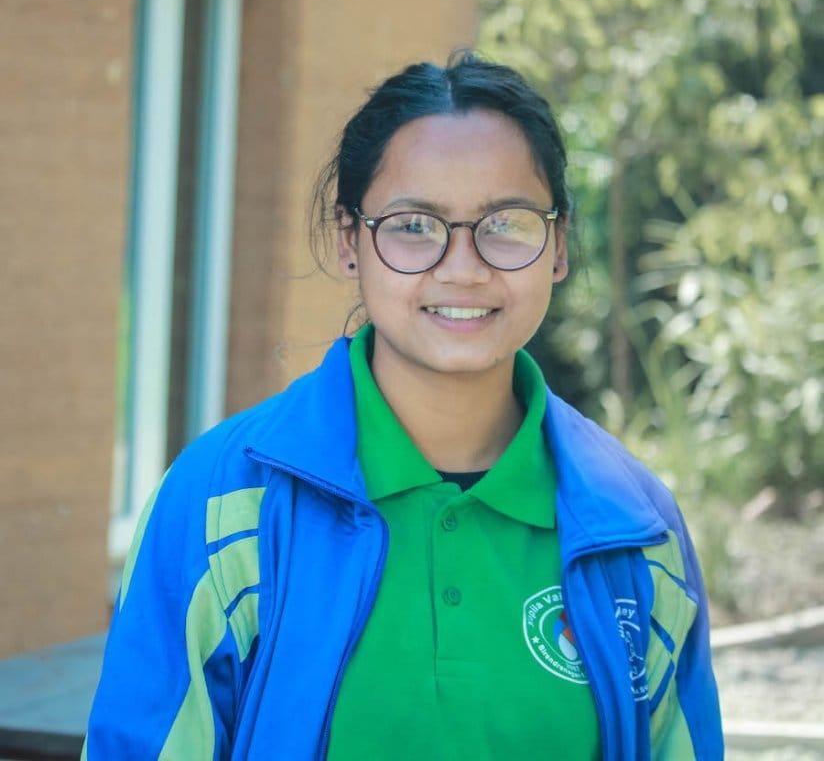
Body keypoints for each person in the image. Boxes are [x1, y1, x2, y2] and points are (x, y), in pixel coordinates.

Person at [82, 49, 723, 760]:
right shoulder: (224, 503)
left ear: (559, 247)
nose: (463, 266)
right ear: (350, 241)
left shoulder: (635, 528)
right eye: (415, 225)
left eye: (505, 222)